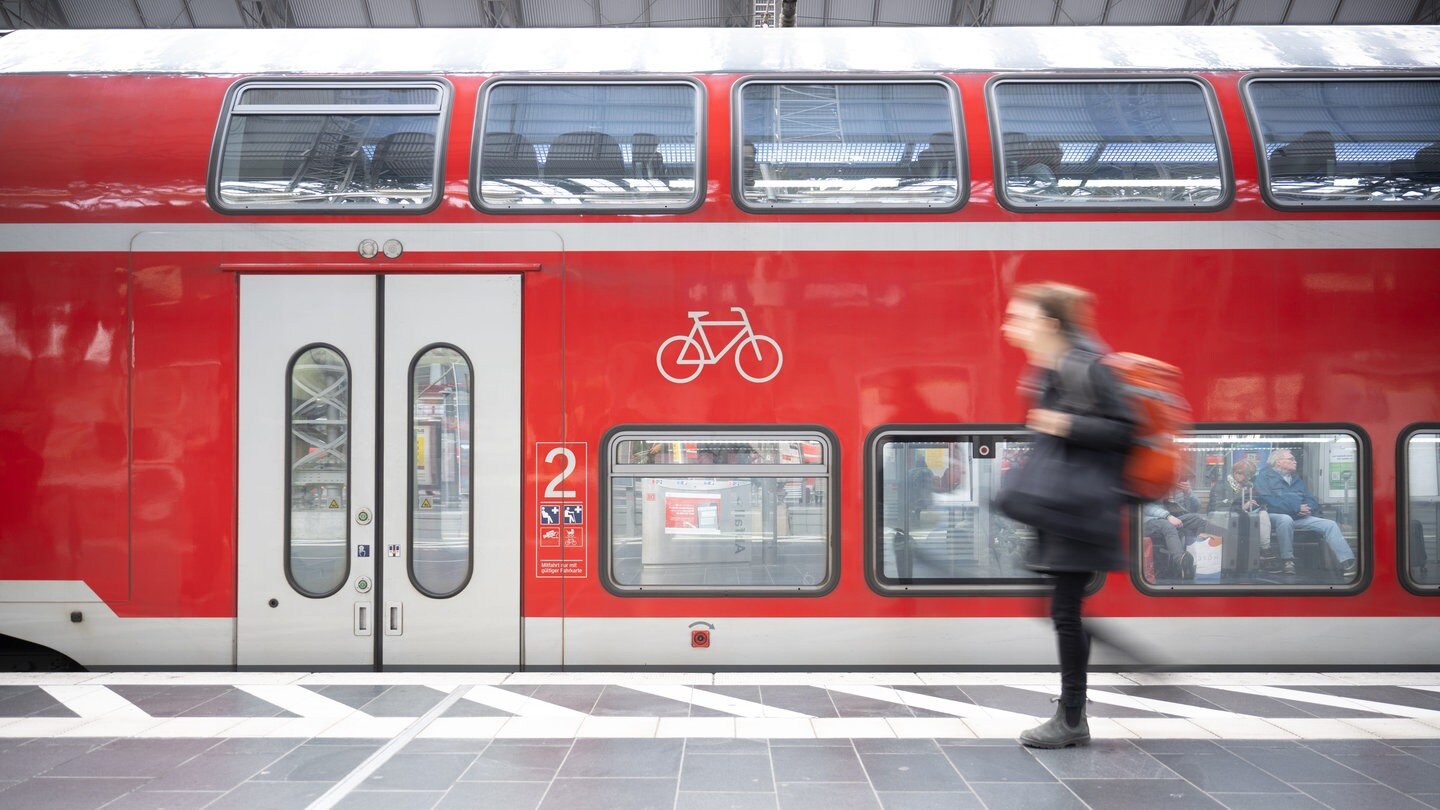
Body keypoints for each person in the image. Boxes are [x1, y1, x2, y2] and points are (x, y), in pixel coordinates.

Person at [1000, 282, 1135, 749]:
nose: (1008, 325)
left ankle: (1073, 717)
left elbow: (1125, 428)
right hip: (1063, 509)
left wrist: (1062, 422)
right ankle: (1074, 711)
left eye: (1020, 317)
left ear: (1049, 324)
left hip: (1078, 508)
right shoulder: (1051, 369)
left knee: (1063, 612)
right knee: (1060, 611)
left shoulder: (1085, 364)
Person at [1254, 448, 1357, 576]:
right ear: (1278, 462)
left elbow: (1309, 498)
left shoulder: (1296, 479)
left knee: (1329, 525)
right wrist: (1297, 507)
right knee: (1285, 519)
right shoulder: (1264, 477)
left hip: (1299, 517)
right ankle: (1288, 560)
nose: (1295, 461)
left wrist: (1308, 508)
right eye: (1291, 459)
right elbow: (1269, 500)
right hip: (1274, 516)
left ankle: (1347, 561)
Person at [1142, 474, 1226, 578]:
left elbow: (1195, 507)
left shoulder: (1177, 486)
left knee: (1197, 520)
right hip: (1148, 520)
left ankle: (1199, 558)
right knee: (1167, 526)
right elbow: (1145, 506)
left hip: (1171, 518)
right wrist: (1167, 515)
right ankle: (1182, 561)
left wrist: (1188, 493)